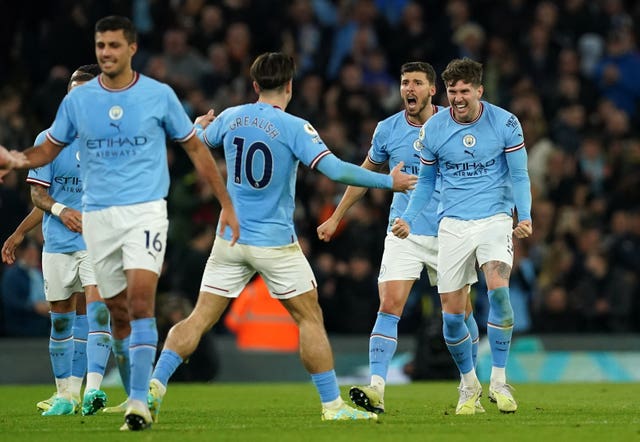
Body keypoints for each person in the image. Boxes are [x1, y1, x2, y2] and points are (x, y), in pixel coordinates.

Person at [147, 51, 416, 424]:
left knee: (199, 317)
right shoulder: (295, 127)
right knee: (309, 317)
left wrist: (199, 123)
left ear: (255, 86)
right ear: (289, 86)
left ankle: (155, 386)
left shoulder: (231, 116)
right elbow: (335, 170)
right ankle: (332, 406)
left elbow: (199, 138)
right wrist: (390, 181)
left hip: (230, 238)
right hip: (274, 241)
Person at [0, 15, 239, 431]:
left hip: (144, 212)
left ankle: (136, 402)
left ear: (131, 48)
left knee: (140, 303)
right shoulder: (77, 104)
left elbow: (197, 152)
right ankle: (112, 392)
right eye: (100, 46)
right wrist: (16, 158)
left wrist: (227, 205)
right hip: (100, 219)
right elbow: (47, 151)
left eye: (114, 45)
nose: (106, 52)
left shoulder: (158, 94)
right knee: (117, 314)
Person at [317, 61, 480, 415]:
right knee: (390, 304)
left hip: (449, 233)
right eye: (405, 82)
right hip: (403, 230)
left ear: (431, 90)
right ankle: (376, 389)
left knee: (459, 314)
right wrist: (335, 217)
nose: (409, 88)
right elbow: (364, 174)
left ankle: (471, 386)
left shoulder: (456, 125)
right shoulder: (388, 130)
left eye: (417, 83)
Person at [392, 58, 532, 415]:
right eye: (452, 91)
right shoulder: (434, 130)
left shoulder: (505, 123)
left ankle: (499, 383)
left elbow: (519, 175)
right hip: (452, 224)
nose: (457, 98)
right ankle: (469, 386)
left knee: (499, 292)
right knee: (452, 318)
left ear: (479, 91)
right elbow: (425, 183)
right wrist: (408, 218)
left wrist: (524, 215)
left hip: (495, 219)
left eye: (464, 91)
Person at [1, 64, 117, 417]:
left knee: (97, 310)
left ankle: (93, 391)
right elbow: (41, 196)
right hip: (57, 244)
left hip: (97, 241)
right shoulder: (47, 140)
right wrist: (22, 231)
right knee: (63, 321)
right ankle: (66, 395)